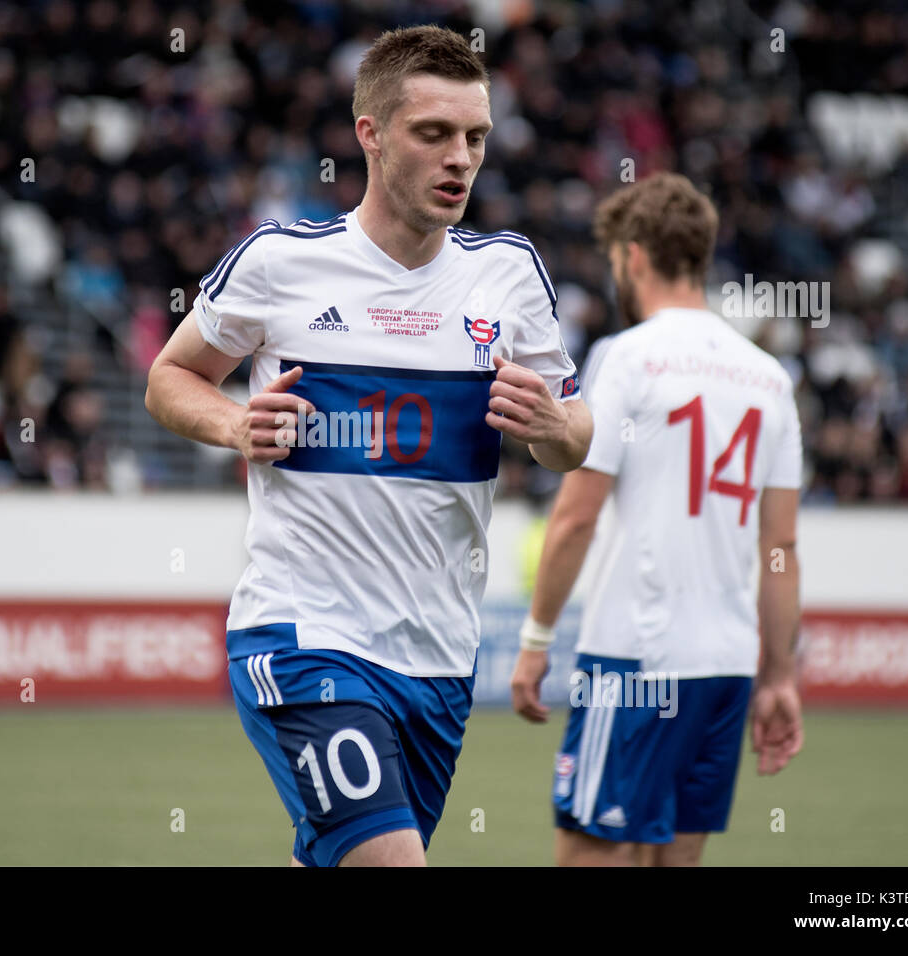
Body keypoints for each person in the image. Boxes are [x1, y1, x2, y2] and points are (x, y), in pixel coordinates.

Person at [146, 24, 592, 867]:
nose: (460, 158)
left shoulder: (509, 273)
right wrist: (234, 424)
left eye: (475, 137)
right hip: (304, 633)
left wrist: (556, 428)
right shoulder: (281, 262)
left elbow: (575, 435)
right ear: (371, 135)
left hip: (439, 662)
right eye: (434, 134)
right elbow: (169, 378)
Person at [510, 172, 805, 866]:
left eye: (616, 259)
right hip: (727, 665)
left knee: (590, 851)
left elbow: (575, 517)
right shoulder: (769, 376)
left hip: (635, 659)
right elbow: (782, 547)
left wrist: (535, 638)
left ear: (634, 255)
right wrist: (780, 677)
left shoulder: (627, 357)